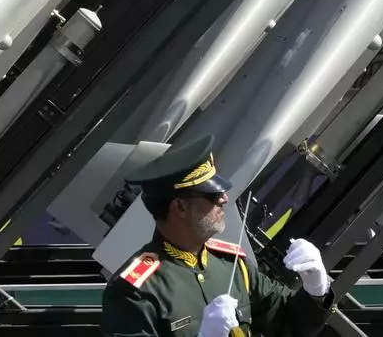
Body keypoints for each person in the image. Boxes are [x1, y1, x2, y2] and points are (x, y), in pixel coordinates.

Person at [101, 134, 335, 336]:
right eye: (212, 195)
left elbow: (288, 323)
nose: (224, 198)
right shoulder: (135, 291)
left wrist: (316, 289)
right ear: (180, 207)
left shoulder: (232, 264)